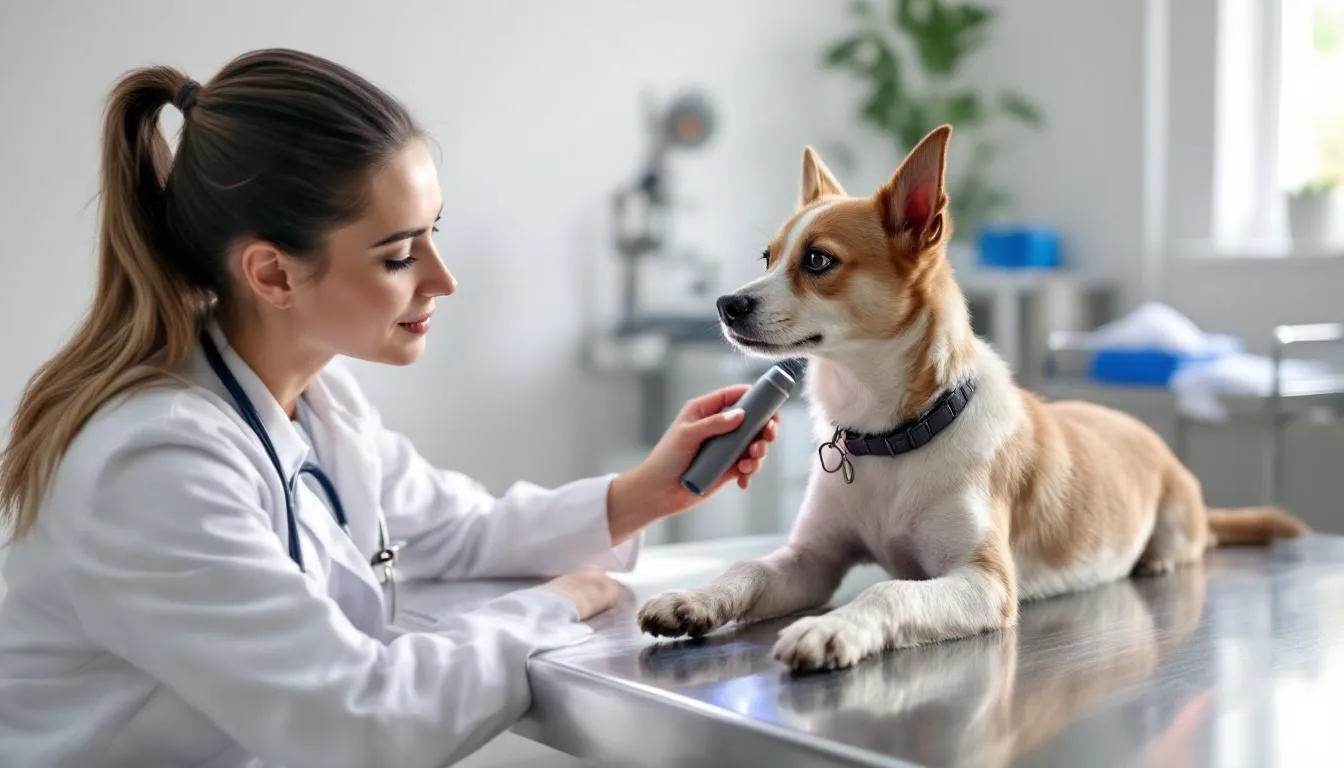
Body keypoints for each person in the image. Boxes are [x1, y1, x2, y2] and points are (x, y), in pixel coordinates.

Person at [0, 48, 779, 768]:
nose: (442, 279)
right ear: (272, 275)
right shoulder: (154, 465)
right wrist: (557, 604)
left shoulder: (317, 401)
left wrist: (647, 492)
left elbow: (452, 531)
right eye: (399, 254)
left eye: (432, 233)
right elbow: (362, 725)